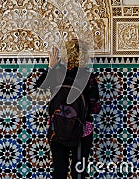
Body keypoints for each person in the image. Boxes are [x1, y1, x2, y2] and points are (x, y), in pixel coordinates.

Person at [36, 39, 100, 179]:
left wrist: (51, 66)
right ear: (84, 55)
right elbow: (96, 108)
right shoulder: (88, 77)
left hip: (57, 129)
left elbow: (40, 85)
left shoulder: (57, 74)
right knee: (79, 172)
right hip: (82, 131)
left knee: (60, 170)